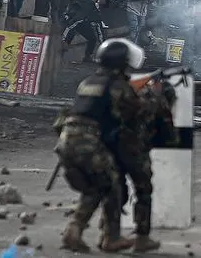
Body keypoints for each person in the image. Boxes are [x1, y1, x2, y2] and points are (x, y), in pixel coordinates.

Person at [54, 39, 143, 253]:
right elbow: (132, 116)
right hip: (88, 142)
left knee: (95, 187)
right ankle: (111, 238)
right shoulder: (119, 86)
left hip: (66, 140)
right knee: (113, 186)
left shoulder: (88, 82)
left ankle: (73, 231)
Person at [109, 69, 179, 252]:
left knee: (115, 190)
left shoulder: (129, 94)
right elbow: (171, 138)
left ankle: (108, 234)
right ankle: (141, 238)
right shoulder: (160, 103)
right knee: (143, 191)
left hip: (113, 147)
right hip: (135, 151)